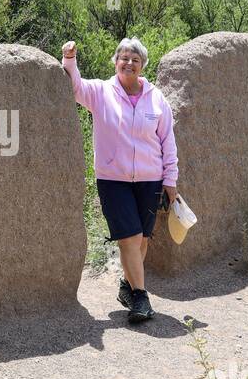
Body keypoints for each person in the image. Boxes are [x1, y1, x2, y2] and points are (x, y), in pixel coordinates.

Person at [61, 37, 178, 322]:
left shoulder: (156, 98)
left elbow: (167, 141)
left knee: (142, 240)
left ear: (142, 66)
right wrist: (69, 59)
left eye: (134, 60)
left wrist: (170, 179)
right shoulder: (102, 92)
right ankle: (140, 297)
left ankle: (127, 287)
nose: (128, 63)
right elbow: (75, 87)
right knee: (130, 237)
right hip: (113, 179)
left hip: (150, 179)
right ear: (115, 63)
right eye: (123, 58)